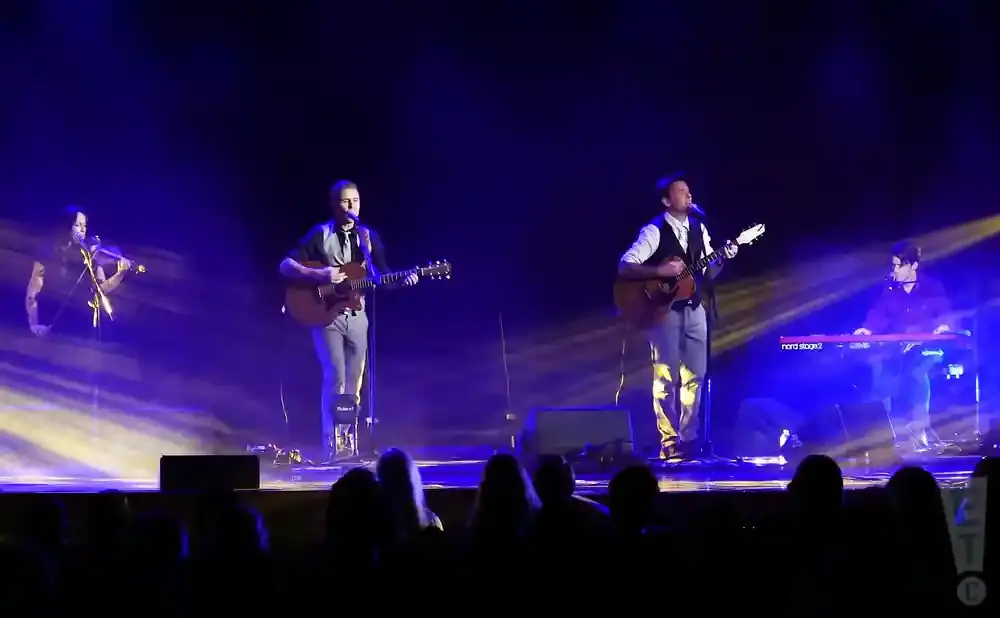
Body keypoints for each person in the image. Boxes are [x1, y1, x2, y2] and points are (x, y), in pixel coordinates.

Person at [280, 180, 418, 460]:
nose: (351, 206)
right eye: (345, 201)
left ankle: (349, 444)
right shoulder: (320, 234)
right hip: (326, 315)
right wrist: (320, 275)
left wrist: (406, 279)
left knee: (354, 381)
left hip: (358, 316)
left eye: (355, 200)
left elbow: (382, 278)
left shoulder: (368, 238)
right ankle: (332, 445)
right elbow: (285, 265)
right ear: (334, 205)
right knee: (336, 376)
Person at [619, 175, 737, 462]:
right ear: (666, 200)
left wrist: (722, 258)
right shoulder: (654, 230)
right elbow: (626, 265)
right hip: (663, 311)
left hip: (695, 308)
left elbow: (708, 273)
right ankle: (669, 441)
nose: (688, 196)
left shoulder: (700, 229)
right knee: (666, 376)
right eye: (681, 192)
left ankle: (689, 438)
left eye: (689, 192)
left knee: (695, 375)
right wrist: (661, 273)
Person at [853, 240, 952, 451]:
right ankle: (887, 436)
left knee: (917, 373)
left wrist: (943, 327)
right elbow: (878, 313)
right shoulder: (889, 289)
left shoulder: (932, 287)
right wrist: (866, 330)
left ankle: (920, 433)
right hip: (896, 350)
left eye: (898, 265)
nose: (894, 270)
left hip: (927, 348)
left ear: (913, 266)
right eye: (893, 265)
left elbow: (945, 315)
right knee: (881, 375)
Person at [25, 207, 131, 337]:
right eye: (77, 225)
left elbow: (100, 290)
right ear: (67, 227)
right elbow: (32, 295)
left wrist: (120, 274)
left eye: (84, 226)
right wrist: (34, 325)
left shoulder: (89, 257)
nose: (82, 229)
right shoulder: (48, 255)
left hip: (79, 325)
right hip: (52, 323)